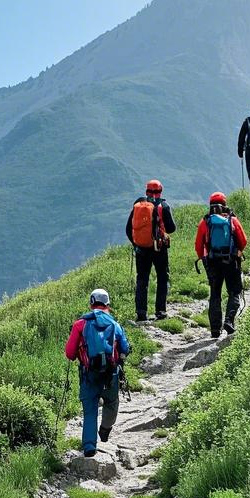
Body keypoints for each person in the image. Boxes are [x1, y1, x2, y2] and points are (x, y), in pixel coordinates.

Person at [65, 289, 131, 457]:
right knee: (111, 402)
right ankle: (105, 429)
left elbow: (70, 353)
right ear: (107, 304)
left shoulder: (80, 324)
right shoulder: (114, 324)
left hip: (88, 374)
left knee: (90, 410)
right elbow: (125, 348)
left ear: (91, 303)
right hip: (111, 374)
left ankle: (89, 447)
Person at [194, 192, 248, 338]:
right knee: (234, 291)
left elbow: (198, 246)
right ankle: (229, 321)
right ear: (224, 205)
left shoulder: (205, 222)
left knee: (215, 294)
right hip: (231, 261)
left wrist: (204, 259)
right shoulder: (232, 220)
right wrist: (237, 251)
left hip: (212, 262)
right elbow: (243, 240)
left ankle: (215, 330)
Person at [125, 179, 177, 321]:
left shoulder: (138, 205)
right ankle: (160, 311)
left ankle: (141, 313)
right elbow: (172, 228)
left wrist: (137, 244)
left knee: (142, 279)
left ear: (146, 191)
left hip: (141, 249)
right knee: (162, 277)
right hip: (159, 248)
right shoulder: (163, 206)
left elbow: (129, 229)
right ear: (160, 191)